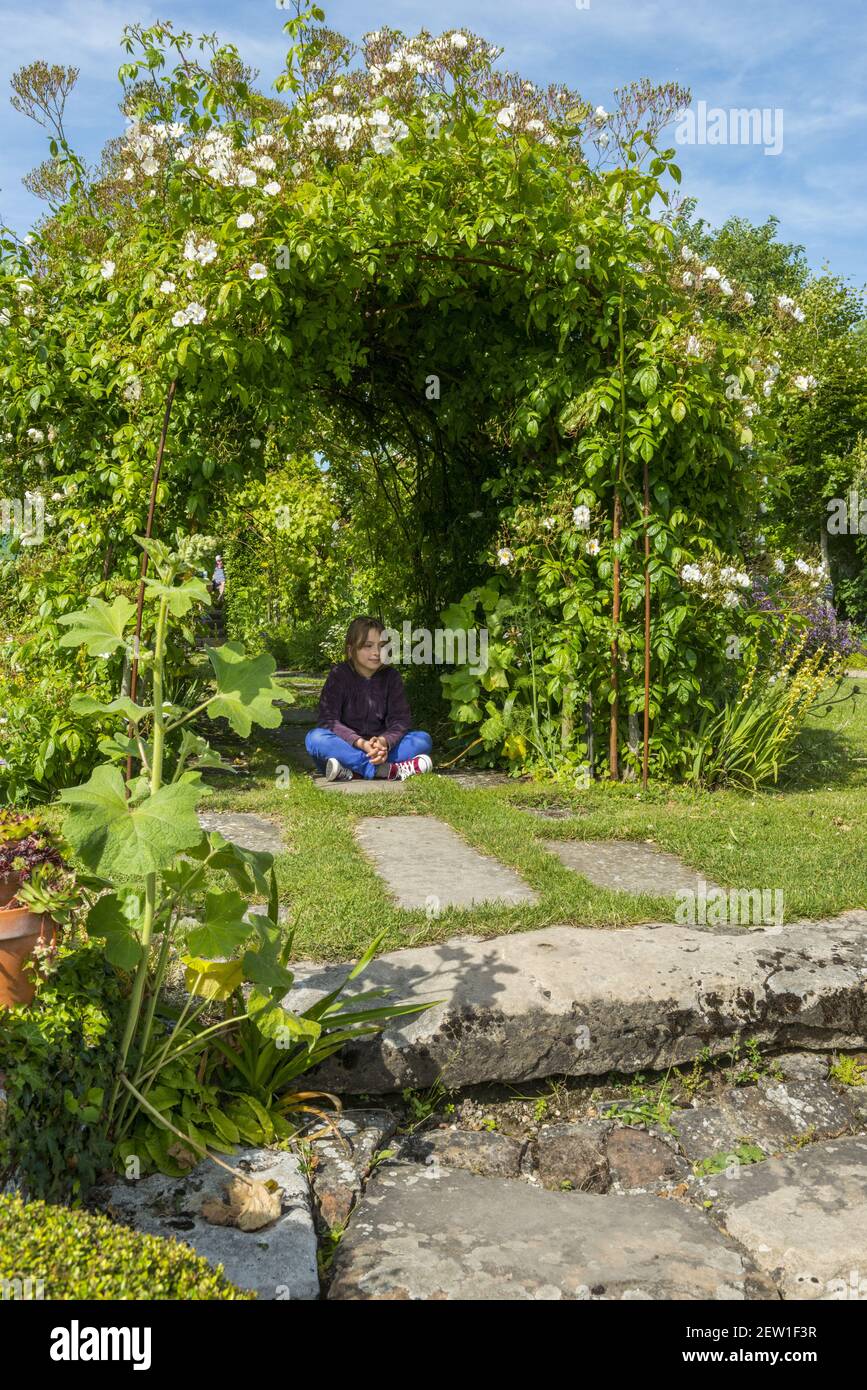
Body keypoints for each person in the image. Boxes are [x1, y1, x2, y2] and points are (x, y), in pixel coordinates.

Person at [306, 616, 433, 781]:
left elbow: (400, 721)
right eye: (368, 646)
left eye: (381, 646)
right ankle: (384, 770)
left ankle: (353, 772)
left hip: (380, 750)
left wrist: (383, 742)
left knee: (422, 739)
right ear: (351, 650)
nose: (376, 652)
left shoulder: (391, 677)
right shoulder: (339, 675)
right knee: (315, 738)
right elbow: (328, 720)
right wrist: (361, 743)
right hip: (346, 748)